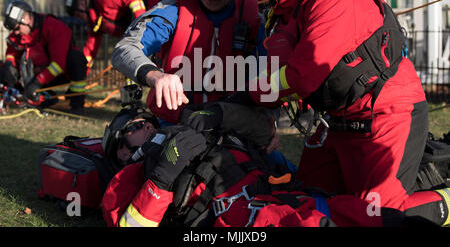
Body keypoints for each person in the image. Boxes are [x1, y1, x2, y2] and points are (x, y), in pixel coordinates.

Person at [233, 0, 450, 226]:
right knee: (306, 201)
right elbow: (277, 72)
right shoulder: (288, 6)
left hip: (385, 115)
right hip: (336, 121)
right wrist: (260, 108)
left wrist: (248, 95)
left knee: (375, 216)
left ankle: (446, 201)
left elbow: (302, 75)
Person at [100, 101, 427, 228]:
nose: (147, 127)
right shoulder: (131, 177)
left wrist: (221, 114)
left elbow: (261, 133)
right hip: (234, 218)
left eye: (145, 122)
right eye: (134, 129)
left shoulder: (192, 129)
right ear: (123, 153)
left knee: (365, 214)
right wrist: (162, 179)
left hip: (281, 191)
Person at [111, 0, 267, 125]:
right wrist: (154, 75)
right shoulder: (172, 10)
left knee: (270, 156)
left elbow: (268, 74)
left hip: (229, 120)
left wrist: (267, 118)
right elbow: (125, 49)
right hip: (175, 119)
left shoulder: (253, 19)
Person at [0, 1, 87, 114]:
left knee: (76, 59)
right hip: (33, 74)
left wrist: (36, 83)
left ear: (26, 19)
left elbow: (58, 65)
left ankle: (77, 103)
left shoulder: (54, 27)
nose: (15, 33)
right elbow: (12, 50)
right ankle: (38, 97)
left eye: (17, 28)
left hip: (59, 73)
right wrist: (9, 63)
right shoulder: (20, 32)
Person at [65, 0, 162, 73]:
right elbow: (90, 49)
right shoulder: (95, 22)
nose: (78, 18)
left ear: (83, 2)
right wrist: (81, 71)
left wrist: (141, 29)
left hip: (157, 11)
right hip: (145, 29)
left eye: (77, 14)